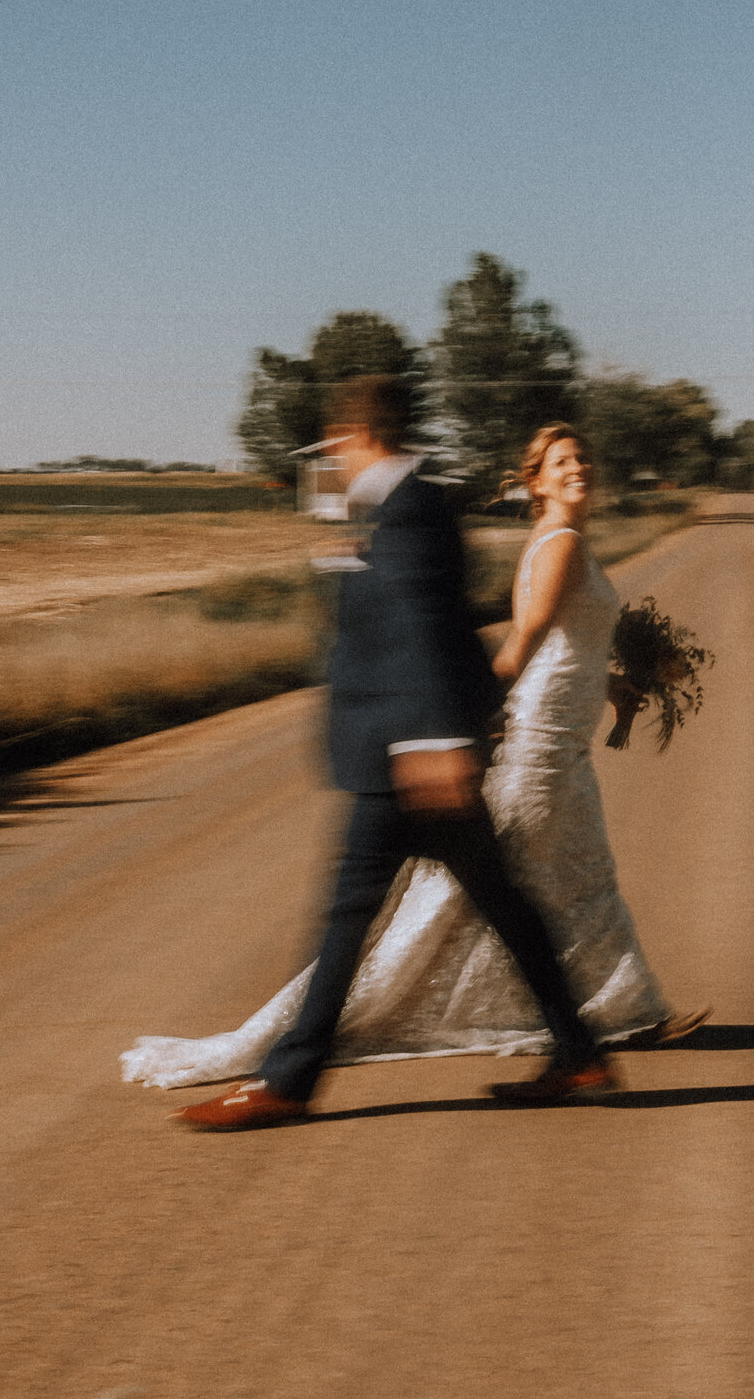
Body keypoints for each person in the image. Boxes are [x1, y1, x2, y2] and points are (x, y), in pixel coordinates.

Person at [152, 381, 622, 1129]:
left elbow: (430, 628)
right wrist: (472, 718)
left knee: (347, 919)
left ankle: (290, 1081)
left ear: (357, 432)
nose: (332, 453)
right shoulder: (391, 508)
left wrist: (438, 741)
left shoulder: (409, 510)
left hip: (408, 762)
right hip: (416, 753)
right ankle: (579, 1051)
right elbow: (445, 627)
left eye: (337, 439)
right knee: (503, 905)